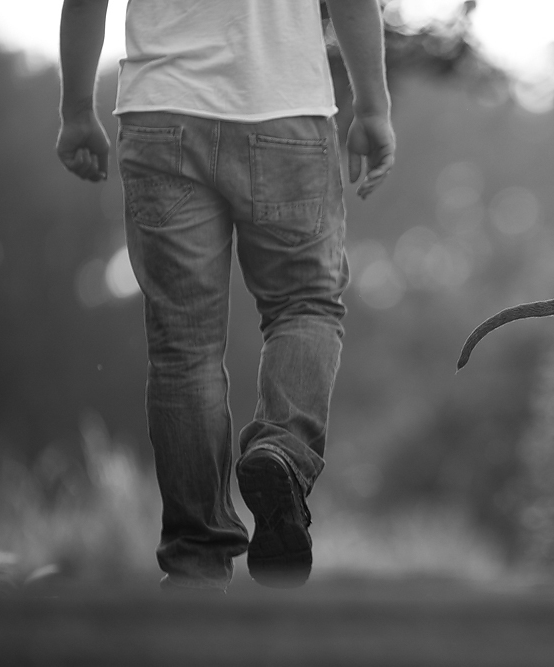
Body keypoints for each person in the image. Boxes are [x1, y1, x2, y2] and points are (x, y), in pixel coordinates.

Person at [56, 0, 395, 591]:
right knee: (305, 304)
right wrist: (373, 106)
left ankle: (195, 561)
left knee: (183, 347)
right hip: (285, 109)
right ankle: (282, 452)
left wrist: (76, 109)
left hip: (160, 112)